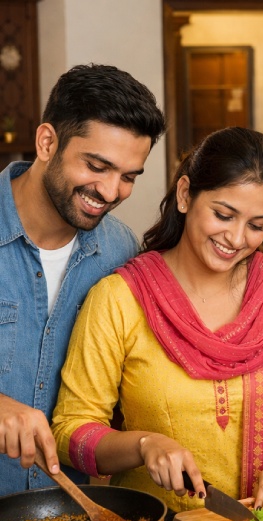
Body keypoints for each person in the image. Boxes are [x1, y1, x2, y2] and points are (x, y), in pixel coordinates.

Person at [51, 127, 263, 515]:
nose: (236, 238)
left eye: (257, 225)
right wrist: (144, 445)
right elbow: (71, 429)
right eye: (223, 215)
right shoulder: (120, 298)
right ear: (185, 194)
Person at [0, 64, 166, 496]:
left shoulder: (121, 253)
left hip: (64, 519)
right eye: (97, 166)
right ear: (47, 142)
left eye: (128, 177)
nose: (111, 193)